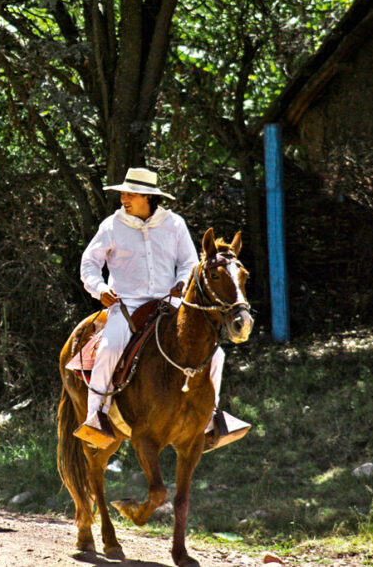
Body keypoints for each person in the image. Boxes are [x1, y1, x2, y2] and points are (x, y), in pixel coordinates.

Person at [75, 167, 249, 449]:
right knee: (109, 348)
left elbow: (188, 262)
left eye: (130, 194)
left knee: (216, 355)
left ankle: (211, 419)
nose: (124, 199)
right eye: (123, 194)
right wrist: (100, 289)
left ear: (147, 197)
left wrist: (181, 283)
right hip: (127, 304)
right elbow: (89, 264)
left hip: (170, 304)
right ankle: (96, 417)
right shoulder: (111, 226)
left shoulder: (175, 224)